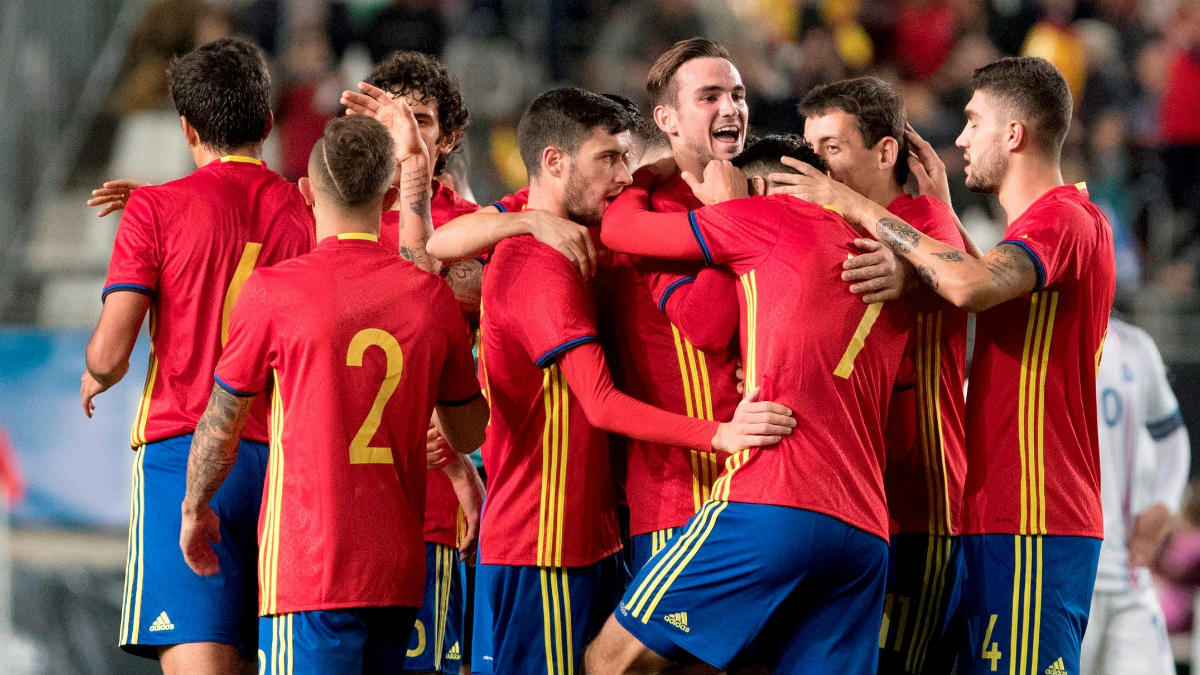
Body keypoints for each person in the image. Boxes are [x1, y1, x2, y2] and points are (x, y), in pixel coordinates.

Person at [777, 56, 1116, 675]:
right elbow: (983, 278)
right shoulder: (1050, 226)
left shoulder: (1063, 216)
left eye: (973, 121)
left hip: (1036, 511)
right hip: (1001, 510)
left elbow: (971, 287)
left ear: (1013, 134)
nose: (959, 138)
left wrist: (852, 203)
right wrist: (944, 216)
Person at [460, 87, 796, 675]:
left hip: (592, 536)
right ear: (554, 163)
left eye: (625, 157)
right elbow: (599, 403)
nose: (623, 174)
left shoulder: (584, 241)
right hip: (541, 544)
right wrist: (719, 435)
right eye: (607, 159)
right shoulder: (537, 263)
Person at [586, 135, 910, 675]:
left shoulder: (768, 218)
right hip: (863, 536)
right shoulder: (887, 271)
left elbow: (622, 231)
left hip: (773, 504)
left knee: (611, 658)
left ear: (760, 187)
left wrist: (656, 178)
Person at [178, 114, 489, 675]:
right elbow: (470, 433)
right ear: (390, 194)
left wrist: (195, 507)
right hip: (398, 573)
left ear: (304, 193)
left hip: (309, 570)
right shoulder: (429, 297)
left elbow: (220, 428)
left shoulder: (273, 290)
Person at [81, 37, 314, 675]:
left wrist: (94, 373)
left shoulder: (155, 209)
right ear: (269, 122)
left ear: (186, 126)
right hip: (286, 463)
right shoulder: (308, 209)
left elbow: (110, 354)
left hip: (184, 454)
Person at [799, 76, 968, 675]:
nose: (816, 167)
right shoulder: (818, 226)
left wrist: (912, 279)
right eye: (810, 148)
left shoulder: (925, 217)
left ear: (886, 151)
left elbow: (959, 274)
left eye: (832, 148)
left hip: (921, 507)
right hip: (844, 508)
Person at [344, 51, 485, 675]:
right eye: (392, 120)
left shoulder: (473, 229)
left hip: (427, 495)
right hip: (333, 501)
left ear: (448, 136)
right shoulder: (338, 218)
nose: (404, 134)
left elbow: (416, 303)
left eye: (421, 120)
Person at [1081, 315, 1190, 675]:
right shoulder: (1028, 335)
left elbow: (1172, 435)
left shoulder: (1135, 346)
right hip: (1062, 577)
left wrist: (1165, 503)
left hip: (1129, 574)